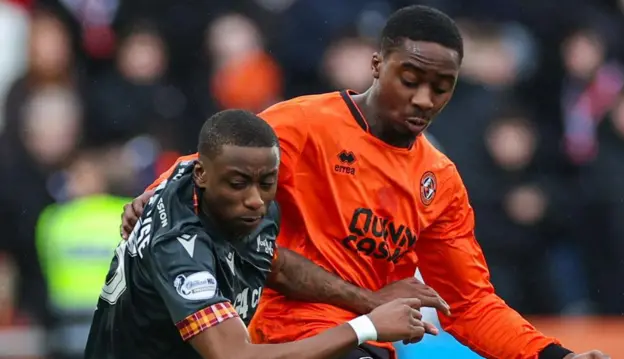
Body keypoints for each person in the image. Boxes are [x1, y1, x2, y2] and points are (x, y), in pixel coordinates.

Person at [122, 6, 610, 359]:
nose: (424, 99)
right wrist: (158, 191)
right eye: (410, 79)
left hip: (371, 342)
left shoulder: (439, 181)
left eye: (441, 88)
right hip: (291, 335)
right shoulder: (308, 124)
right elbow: (214, 160)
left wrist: (555, 357)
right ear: (378, 65)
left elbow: (469, 304)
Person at [86, 109, 435, 359]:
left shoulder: (226, 198)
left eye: (267, 183)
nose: (255, 200)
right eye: (238, 184)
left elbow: (276, 266)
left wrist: (370, 299)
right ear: (203, 175)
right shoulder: (179, 249)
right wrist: (367, 326)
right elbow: (233, 355)